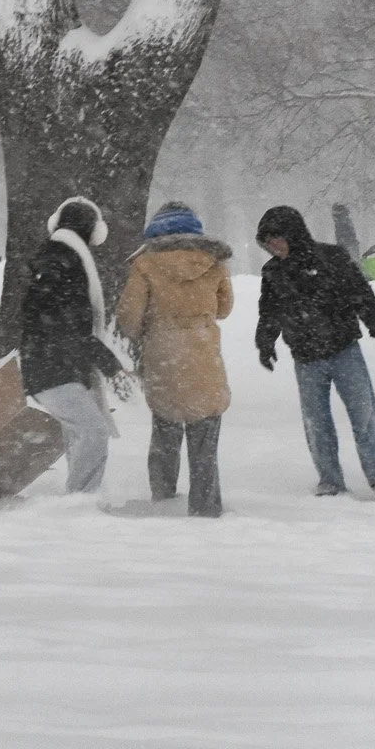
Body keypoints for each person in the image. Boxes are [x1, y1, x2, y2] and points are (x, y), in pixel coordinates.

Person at [255, 205, 375, 499]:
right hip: (306, 359)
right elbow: (269, 312)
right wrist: (265, 343)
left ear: (293, 234)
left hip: (344, 350)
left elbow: (361, 295)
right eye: (267, 241)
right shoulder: (272, 272)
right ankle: (330, 482)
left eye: (277, 238)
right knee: (316, 423)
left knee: (364, 415)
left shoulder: (332, 258)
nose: (273, 246)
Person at [116, 202, 233, 518]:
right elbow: (224, 308)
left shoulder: (145, 264)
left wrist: (147, 329)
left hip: (164, 356)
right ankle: (206, 507)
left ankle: (164, 499)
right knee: (205, 440)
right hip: (203, 355)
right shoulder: (214, 263)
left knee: (165, 432)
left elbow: (129, 317)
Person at [18, 196, 127, 494]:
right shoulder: (62, 261)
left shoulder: (60, 259)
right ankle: (80, 502)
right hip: (52, 366)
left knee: (79, 433)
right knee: (93, 432)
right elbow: (66, 325)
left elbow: (63, 322)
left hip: (51, 364)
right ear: (93, 231)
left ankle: (76, 500)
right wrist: (108, 364)